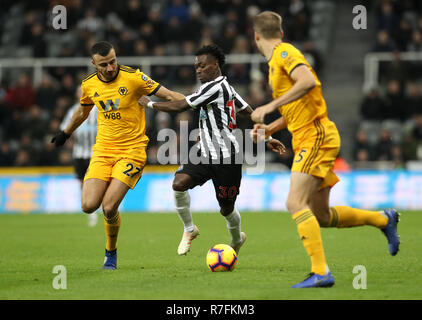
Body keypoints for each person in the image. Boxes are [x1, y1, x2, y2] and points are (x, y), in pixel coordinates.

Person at [250, 11, 400, 288]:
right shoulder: (274, 63)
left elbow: (308, 82)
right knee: (321, 216)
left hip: (316, 136)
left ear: (256, 35)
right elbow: (296, 106)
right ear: (279, 32)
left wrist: (269, 107)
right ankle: (383, 219)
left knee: (294, 203)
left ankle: (321, 272)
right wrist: (270, 128)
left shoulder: (284, 54)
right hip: (310, 136)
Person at [138, 44, 285, 256]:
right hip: (204, 153)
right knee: (179, 184)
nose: (198, 70)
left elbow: (181, 105)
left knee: (226, 208)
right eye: (196, 66)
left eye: (202, 66)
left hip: (228, 159)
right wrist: (267, 136)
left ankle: (236, 239)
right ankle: (190, 229)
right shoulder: (226, 88)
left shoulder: (215, 88)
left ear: (216, 66)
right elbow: (248, 111)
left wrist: (150, 105)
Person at [51, 41, 185, 270]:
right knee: (87, 205)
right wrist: (65, 133)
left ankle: (110, 252)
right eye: (104, 64)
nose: (111, 67)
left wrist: (199, 103)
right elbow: (83, 111)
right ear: (94, 64)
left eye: (113, 61)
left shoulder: (134, 78)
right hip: (103, 152)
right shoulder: (89, 84)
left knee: (109, 207)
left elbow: (169, 95)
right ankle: (109, 242)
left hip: (132, 151)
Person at [60, 86, 99, 227]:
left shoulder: (97, 109)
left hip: (95, 153)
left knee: (95, 182)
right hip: (78, 153)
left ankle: (96, 208)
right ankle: (90, 208)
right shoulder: (72, 110)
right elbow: (65, 129)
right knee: (82, 183)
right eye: (79, 92)